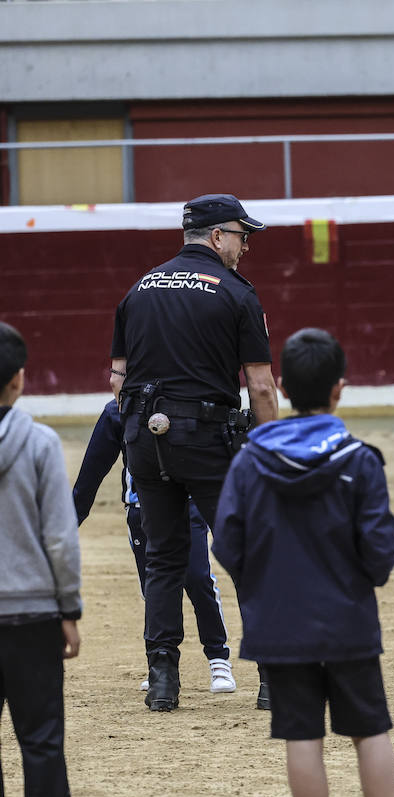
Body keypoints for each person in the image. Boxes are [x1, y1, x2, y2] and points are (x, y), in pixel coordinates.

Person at [212, 327, 394, 797]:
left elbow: (227, 545)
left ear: (283, 387)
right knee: (370, 732)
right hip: (346, 620)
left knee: (301, 737)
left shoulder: (248, 461)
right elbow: (380, 553)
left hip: (279, 624)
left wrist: (264, 586)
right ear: (340, 390)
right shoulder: (360, 461)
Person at [109, 193, 278, 712]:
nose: (245, 247)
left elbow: (117, 381)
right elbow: (262, 386)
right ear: (218, 235)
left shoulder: (138, 289)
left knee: (163, 558)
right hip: (208, 440)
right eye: (242, 236)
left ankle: (163, 680)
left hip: (144, 439)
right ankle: (275, 678)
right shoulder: (236, 293)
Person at [0, 322, 88, 797]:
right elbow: (60, 536)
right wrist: (69, 606)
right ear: (19, 380)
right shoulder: (37, 443)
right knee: (41, 738)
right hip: (29, 613)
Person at [71, 399, 235, 694]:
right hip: (140, 507)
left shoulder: (188, 399)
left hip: (190, 502)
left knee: (197, 578)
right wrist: (71, 520)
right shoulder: (116, 410)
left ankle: (217, 658)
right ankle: (160, 664)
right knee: (154, 587)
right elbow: (92, 470)